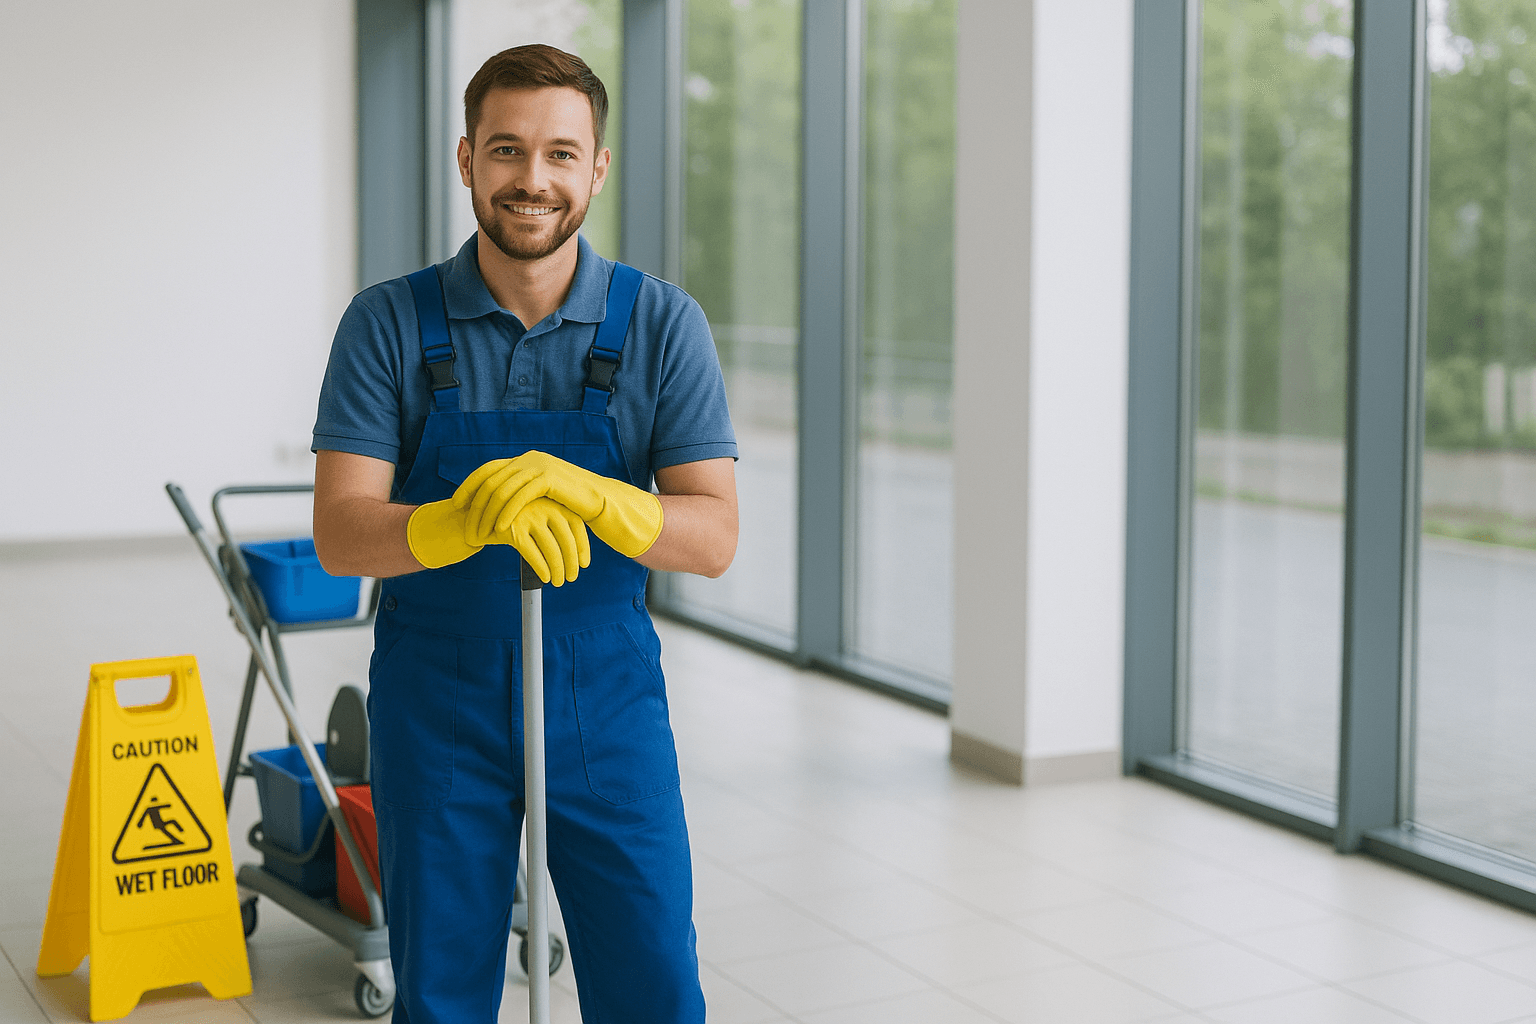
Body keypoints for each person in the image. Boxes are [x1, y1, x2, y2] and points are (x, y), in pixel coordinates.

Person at [311, 43, 737, 1024]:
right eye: (506, 151)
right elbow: (340, 534)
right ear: (466, 160)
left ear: (597, 168)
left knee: (654, 983)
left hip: (606, 693)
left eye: (559, 153)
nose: (532, 180)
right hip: (438, 697)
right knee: (444, 987)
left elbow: (713, 537)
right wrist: (455, 522)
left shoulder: (661, 325)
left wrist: (602, 501)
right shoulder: (387, 325)